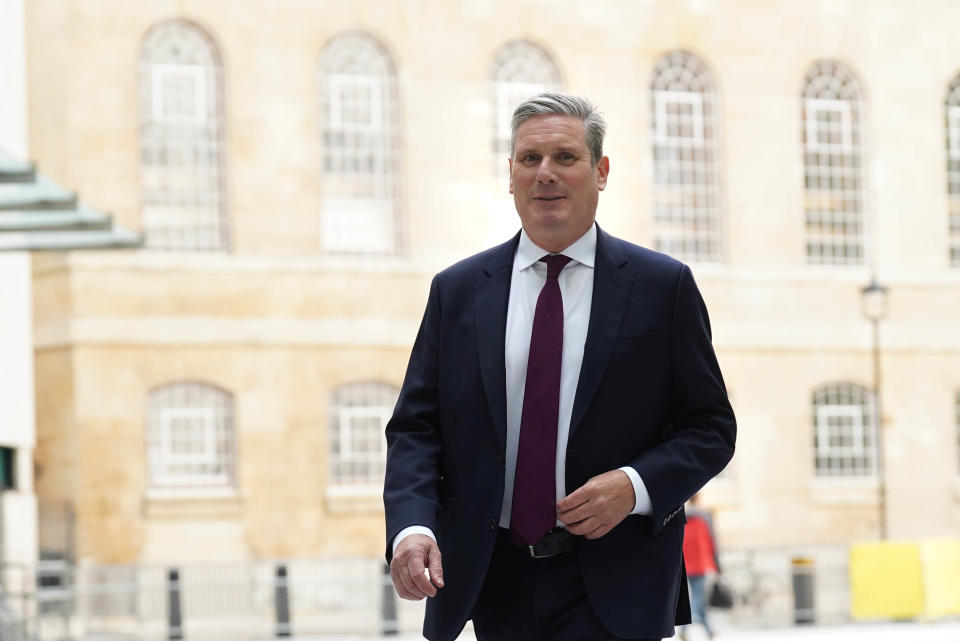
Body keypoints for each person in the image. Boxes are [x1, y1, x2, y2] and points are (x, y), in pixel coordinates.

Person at [383, 92, 736, 641]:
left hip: (615, 581)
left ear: (601, 171)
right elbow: (416, 429)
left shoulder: (661, 288)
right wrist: (410, 526)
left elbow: (711, 429)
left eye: (565, 157)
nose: (545, 173)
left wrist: (634, 485)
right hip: (489, 579)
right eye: (530, 159)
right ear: (510, 175)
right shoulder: (457, 292)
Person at [680, 494, 721, 640]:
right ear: (698, 499)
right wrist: (718, 565)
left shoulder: (682, 514)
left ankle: (709, 631)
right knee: (698, 597)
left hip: (686, 561)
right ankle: (684, 628)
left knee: (699, 596)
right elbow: (713, 540)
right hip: (701, 561)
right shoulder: (705, 515)